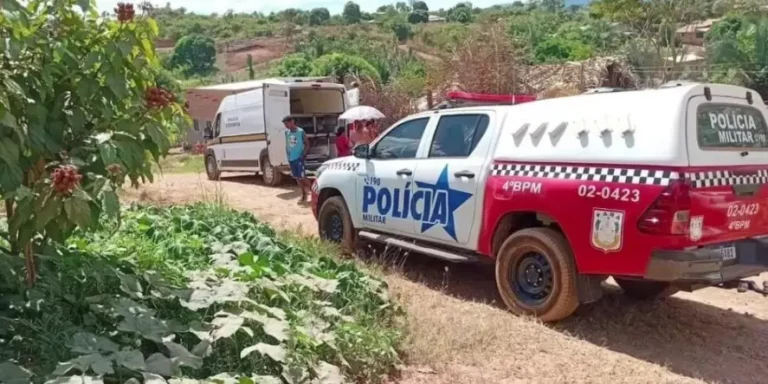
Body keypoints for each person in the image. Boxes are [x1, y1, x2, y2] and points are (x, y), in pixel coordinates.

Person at [283, 116, 311, 204]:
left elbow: (307, 143)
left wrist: (303, 154)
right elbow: (287, 145)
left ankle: (314, 193)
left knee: (302, 177)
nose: (286, 126)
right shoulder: (287, 133)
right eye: (284, 124)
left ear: (292, 121)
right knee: (297, 178)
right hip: (291, 159)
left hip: (299, 158)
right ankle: (304, 194)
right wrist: (288, 155)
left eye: (287, 123)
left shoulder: (300, 132)